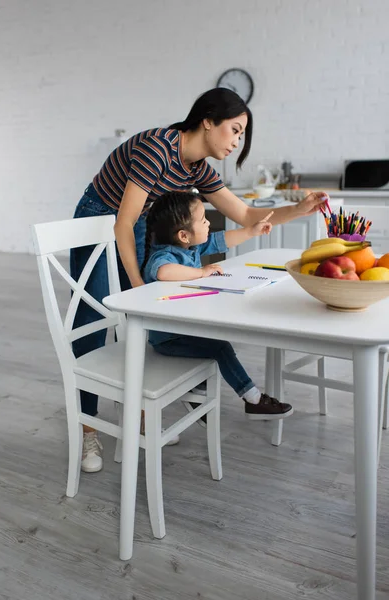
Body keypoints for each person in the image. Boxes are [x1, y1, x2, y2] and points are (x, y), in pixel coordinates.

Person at [70, 87, 328, 472]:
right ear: (208, 121)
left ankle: (139, 417)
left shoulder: (197, 170)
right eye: (235, 130)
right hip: (99, 216)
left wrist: (300, 209)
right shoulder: (157, 149)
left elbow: (245, 216)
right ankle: (88, 431)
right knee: (94, 324)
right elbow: (120, 222)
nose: (238, 142)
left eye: (242, 134)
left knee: (139, 321)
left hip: (135, 222)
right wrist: (139, 285)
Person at [142, 190, 294, 422]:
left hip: (187, 329)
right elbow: (163, 271)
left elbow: (222, 240)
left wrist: (251, 231)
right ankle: (252, 399)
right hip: (168, 339)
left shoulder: (190, 247)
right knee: (220, 348)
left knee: (215, 343)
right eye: (203, 220)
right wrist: (200, 272)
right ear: (183, 235)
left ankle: (197, 398)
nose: (208, 223)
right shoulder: (164, 256)